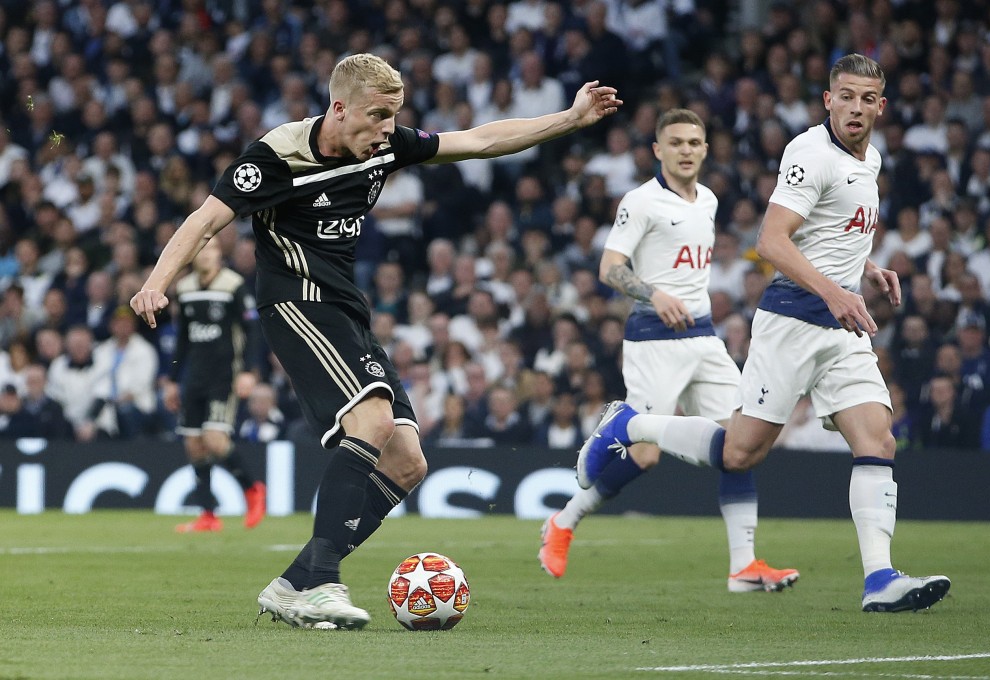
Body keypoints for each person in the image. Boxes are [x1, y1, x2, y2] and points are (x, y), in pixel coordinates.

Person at [130, 53, 622, 630]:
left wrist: (569, 117)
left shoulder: (385, 144)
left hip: (345, 309)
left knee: (408, 463)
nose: (388, 130)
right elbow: (204, 221)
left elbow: (482, 140)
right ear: (339, 109)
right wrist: (155, 285)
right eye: (378, 116)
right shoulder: (275, 157)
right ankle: (320, 584)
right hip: (295, 302)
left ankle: (293, 582)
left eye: (394, 117)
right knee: (372, 423)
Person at [577, 55, 951, 613]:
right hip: (796, 320)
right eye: (844, 96)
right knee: (741, 452)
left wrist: (864, 269)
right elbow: (772, 241)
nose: (855, 107)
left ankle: (879, 579)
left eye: (866, 99)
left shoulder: (869, 157)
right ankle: (630, 423)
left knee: (877, 438)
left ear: (881, 106)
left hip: (842, 325)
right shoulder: (809, 153)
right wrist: (834, 289)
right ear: (828, 100)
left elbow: (834, 230)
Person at [539, 109, 799, 593]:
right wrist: (653, 293)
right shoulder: (641, 202)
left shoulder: (710, 201)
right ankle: (564, 522)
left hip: (703, 337)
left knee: (740, 446)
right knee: (643, 457)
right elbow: (610, 267)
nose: (685, 150)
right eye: (675, 142)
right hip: (653, 338)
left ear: (705, 149)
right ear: (657, 150)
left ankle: (743, 567)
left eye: (693, 143)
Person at [163, 236, 267, 533]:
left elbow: (252, 330)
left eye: (212, 250)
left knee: (214, 439)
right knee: (194, 445)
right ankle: (208, 515)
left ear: (220, 255)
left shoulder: (233, 285)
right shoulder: (184, 289)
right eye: (201, 250)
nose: (206, 255)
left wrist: (249, 371)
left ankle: (253, 489)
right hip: (194, 376)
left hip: (224, 375)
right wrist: (172, 380)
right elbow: (182, 339)